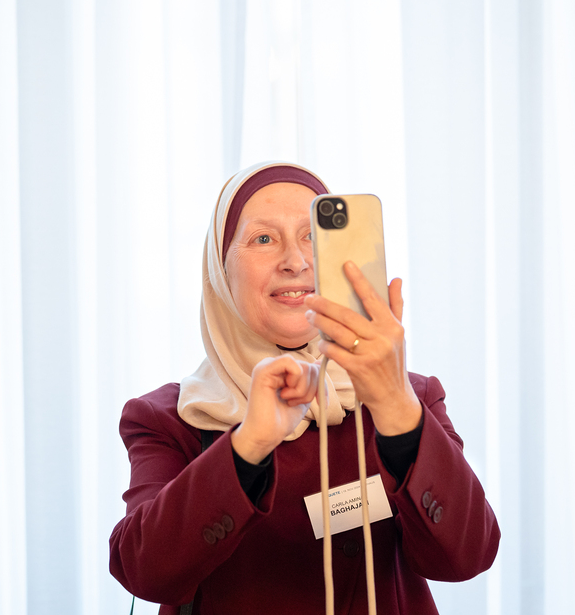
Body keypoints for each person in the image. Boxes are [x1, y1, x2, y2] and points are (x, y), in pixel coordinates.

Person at [109, 162, 499, 614]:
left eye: (313, 236)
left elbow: (468, 555)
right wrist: (248, 443)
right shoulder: (169, 418)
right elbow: (146, 572)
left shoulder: (412, 398)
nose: (295, 261)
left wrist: (395, 405)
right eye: (263, 239)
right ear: (220, 269)